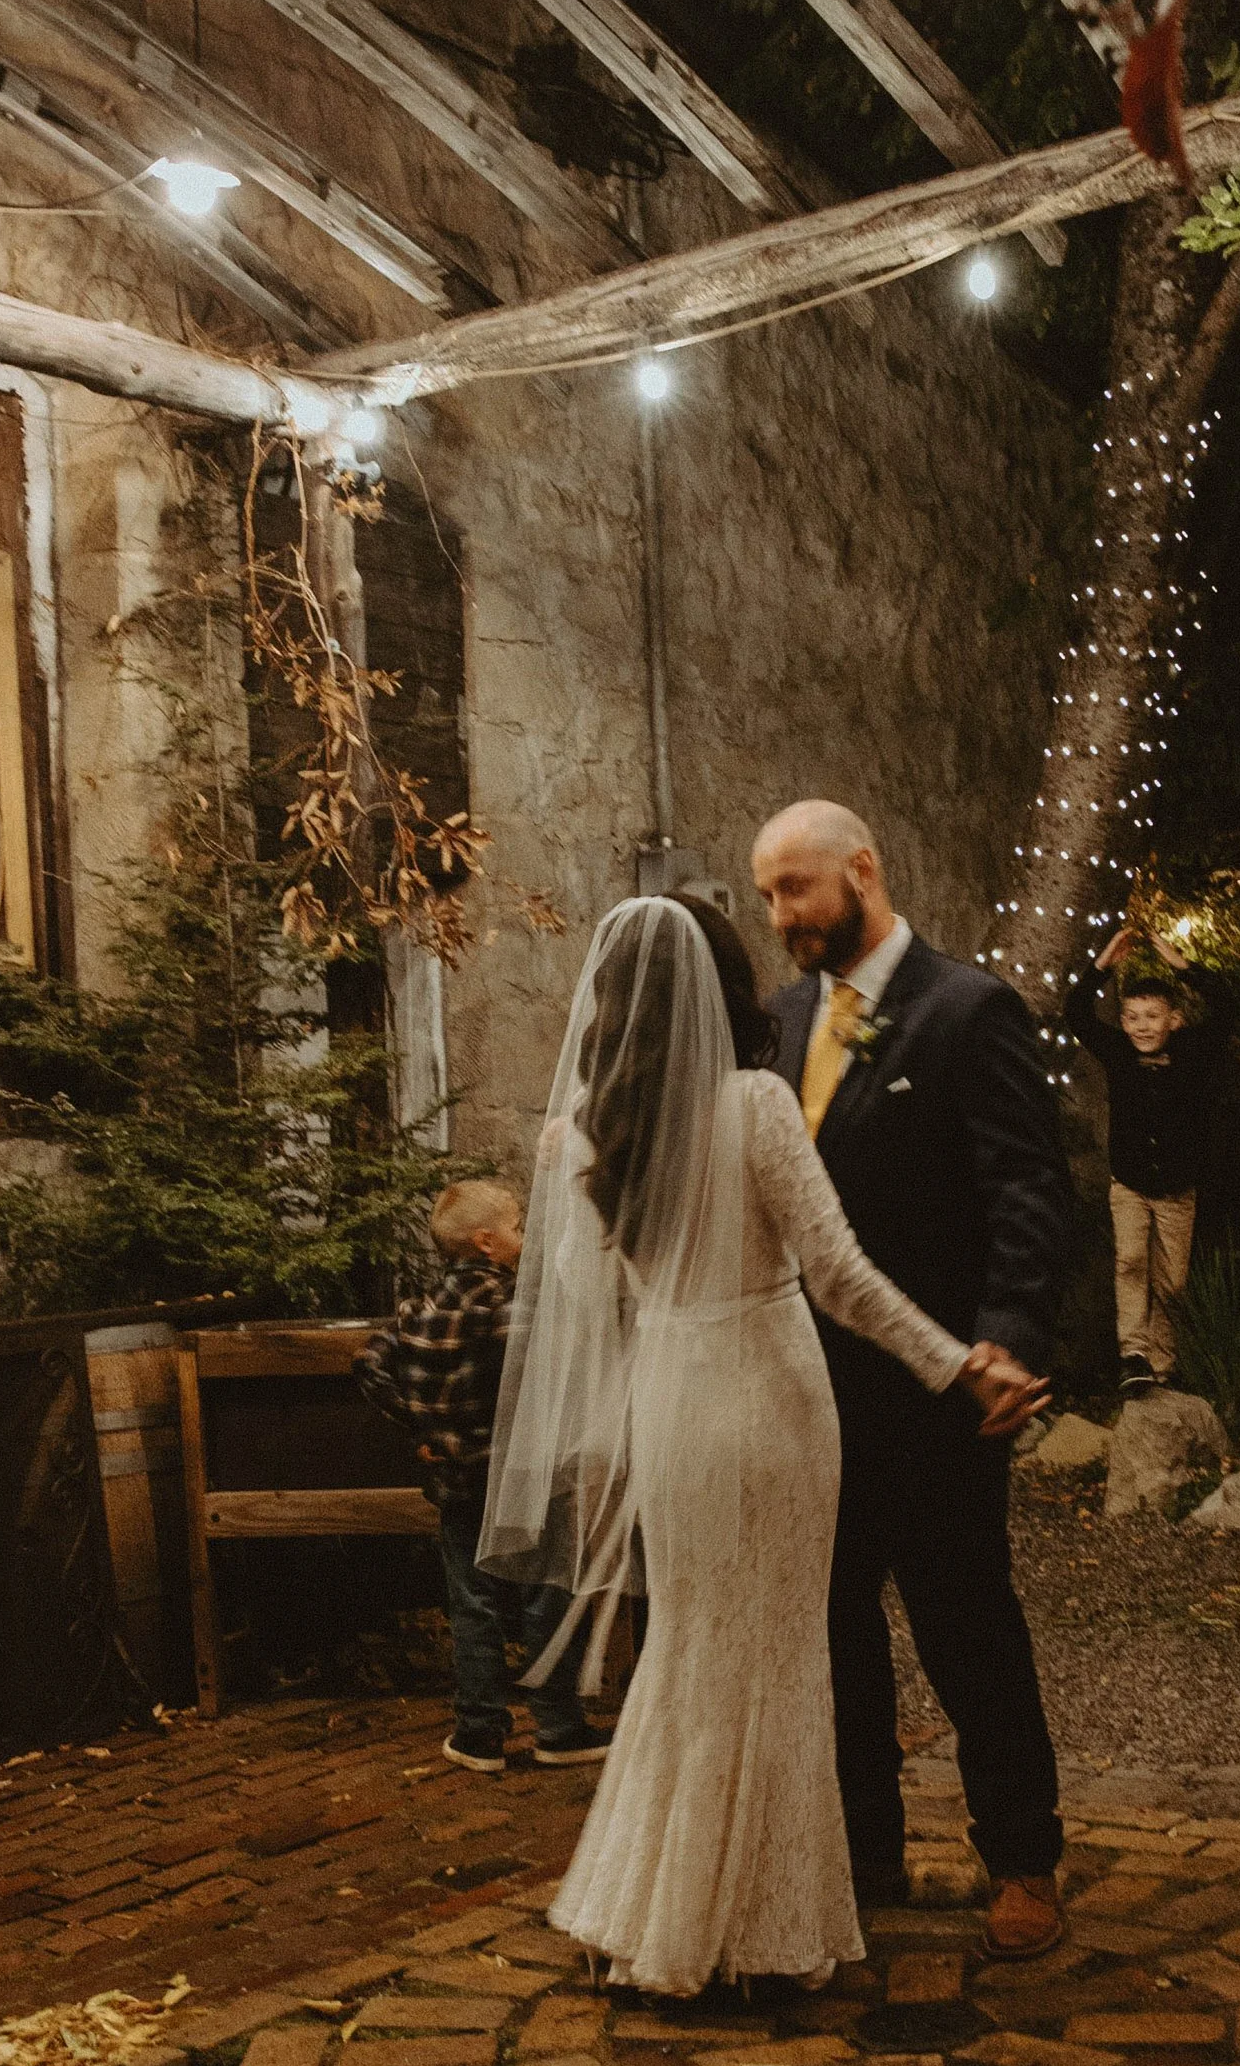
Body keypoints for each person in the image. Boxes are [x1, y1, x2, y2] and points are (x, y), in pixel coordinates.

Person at [478, 893, 1039, 1999]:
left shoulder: (584, 1133)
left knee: (688, 1649)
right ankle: (759, 1930)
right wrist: (951, 1361)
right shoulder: (754, 1103)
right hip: (770, 1401)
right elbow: (837, 1276)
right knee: (778, 1655)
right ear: (722, 986)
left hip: (672, 1405)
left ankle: (649, 1909)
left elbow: (595, 1300)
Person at [751, 802, 1072, 1964]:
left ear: (861, 871)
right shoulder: (778, 1024)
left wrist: (1009, 1341)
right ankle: (866, 1850)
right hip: (807, 1394)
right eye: (769, 896)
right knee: (833, 1630)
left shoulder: (966, 1009)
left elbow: (1027, 1191)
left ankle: (1024, 1859)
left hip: (939, 1391)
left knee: (966, 1625)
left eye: (795, 890)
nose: (780, 917)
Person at [359, 1177, 606, 1779]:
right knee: (546, 1595)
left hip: (457, 1486)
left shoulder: (416, 1310)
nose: (525, 1235)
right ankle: (557, 1727)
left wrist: (420, 1432)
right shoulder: (514, 1307)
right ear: (488, 1242)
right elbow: (539, 1386)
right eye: (518, 1226)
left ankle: (478, 1735)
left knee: (473, 1605)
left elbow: (368, 1362)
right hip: (522, 1486)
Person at [1070, 924, 1223, 1393]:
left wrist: (1184, 966)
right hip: (1130, 1183)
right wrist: (1103, 965)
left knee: (1172, 1282)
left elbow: (1228, 1010)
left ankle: (1163, 1363)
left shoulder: (1191, 1051)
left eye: (1151, 1017)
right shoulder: (1117, 1051)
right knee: (1131, 1263)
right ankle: (1133, 1355)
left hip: (1178, 1189)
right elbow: (1076, 1014)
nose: (1141, 1026)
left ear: (1173, 1020)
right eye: (1132, 1017)